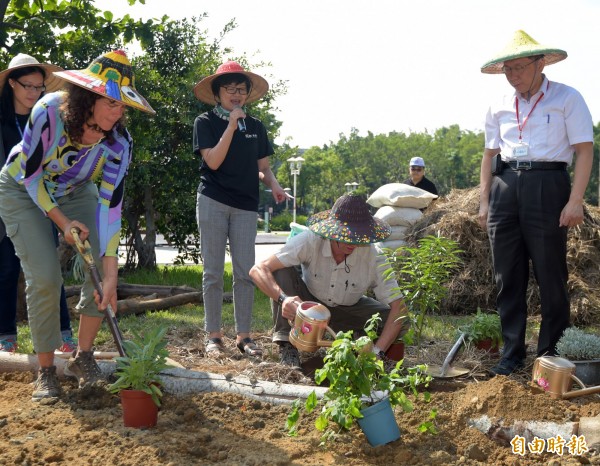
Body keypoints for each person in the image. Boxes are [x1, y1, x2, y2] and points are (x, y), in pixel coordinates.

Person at [0, 50, 155, 400]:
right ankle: (45, 370)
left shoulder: (119, 143)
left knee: (100, 271)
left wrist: (111, 273)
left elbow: (110, 206)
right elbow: (32, 175)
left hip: (74, 189)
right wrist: (62, 222)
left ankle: (82, 356)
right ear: (87, 98)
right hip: (22, 188)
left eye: (122, 106)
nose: (118, 113)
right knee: (44, 277)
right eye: (110, 103)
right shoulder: (49, 112)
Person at [478, 30, 594, 376]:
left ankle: (550, 354)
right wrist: (484, 201)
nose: (513, 75)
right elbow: (488, 154)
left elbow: (585, 150)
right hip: (505, 186)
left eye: (518, 68)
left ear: (540, 63)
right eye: (507, 70)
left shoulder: (566, 98)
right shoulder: (498, 103)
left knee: (550, 273)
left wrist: (576, 200)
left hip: (548, 185)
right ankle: (511, 353)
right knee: (506, 275)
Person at [193, 61, 287, 358]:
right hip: (213, 201)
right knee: (212, 272)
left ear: (248, 94)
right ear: (218, 93)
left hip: (246, 205)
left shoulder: (256, 126)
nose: (236, 95)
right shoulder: (205, 122)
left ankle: (244, 336)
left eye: (241, 90)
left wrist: (274, 184)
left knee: (245, 272)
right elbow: (214, 162)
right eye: (230, 89)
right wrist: (232, 125)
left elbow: (263, 167)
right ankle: (213, 336)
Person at [249, 193, 408, 368]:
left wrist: (377, 352)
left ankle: (365, 346)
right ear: (333, 231)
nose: (353, 242)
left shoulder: (374, 257)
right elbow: (258, 269)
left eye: (358, 235)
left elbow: (399, 307)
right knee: (281, 270)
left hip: (348, 310)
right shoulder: (310, 240)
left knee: (400, 321)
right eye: (347, 235)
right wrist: (284, 299)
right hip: (308, 304)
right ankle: (287, 345)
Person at [0, 53, 76, 354]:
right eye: (27, 86)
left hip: (43, 200)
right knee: (6, 269)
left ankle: (64, 335)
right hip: (8, 203)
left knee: (48, 270)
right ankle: (6, 337)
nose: (33, 93)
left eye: (38, 87)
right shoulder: (2, 121)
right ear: (11, 85)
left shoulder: (48, 119)